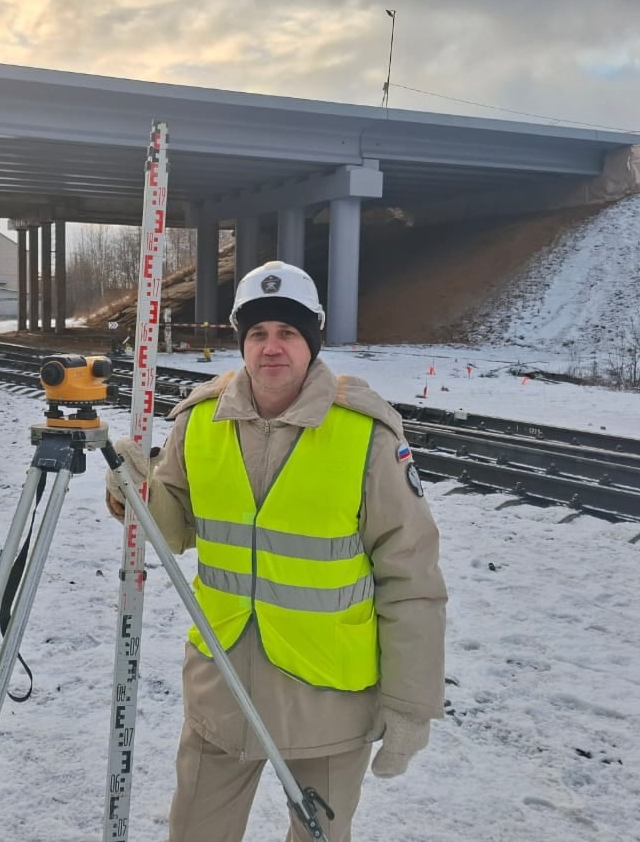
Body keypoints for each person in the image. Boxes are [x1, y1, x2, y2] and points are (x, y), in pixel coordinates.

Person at [106, 260, 447, 842]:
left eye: (288, 332)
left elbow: (410, 576)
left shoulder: (365, 434)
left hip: (329, 705)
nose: (271, 347)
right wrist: (136, 495)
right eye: (258, 332)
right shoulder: (200, 421)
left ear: (311, 340)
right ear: (241, 341)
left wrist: (412, 703)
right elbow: (174, 530)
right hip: (223, 690)